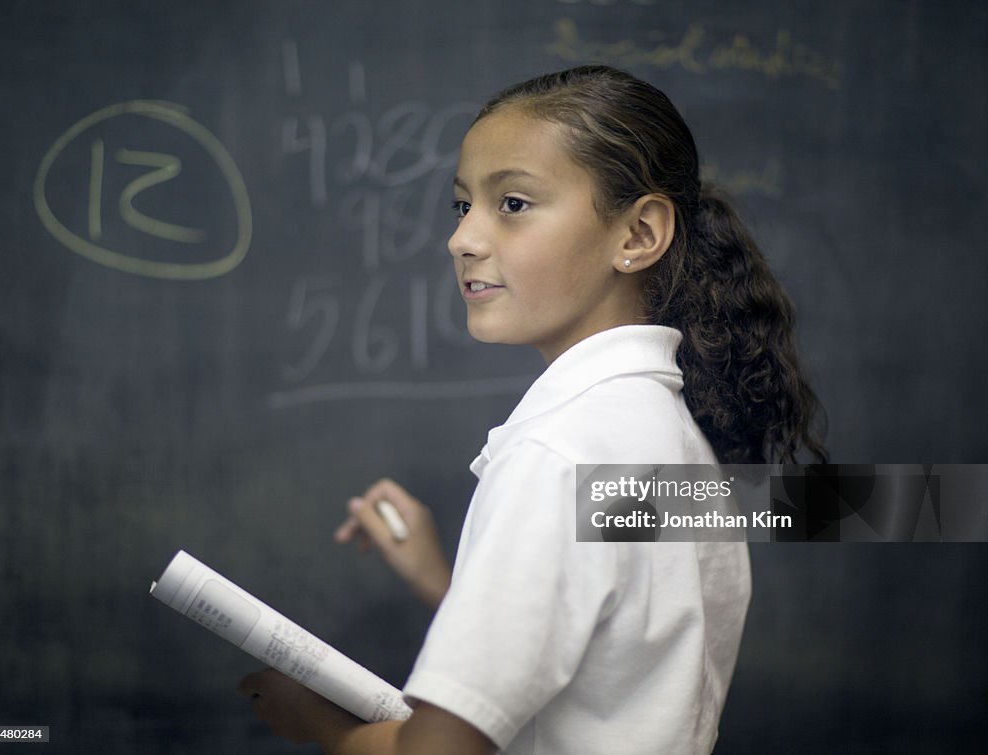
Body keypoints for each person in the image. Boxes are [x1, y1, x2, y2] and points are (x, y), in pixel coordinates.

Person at [238, 65, 825, 754]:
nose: (463, 239)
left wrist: (317, 722)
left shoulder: (558, 453)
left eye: (512, 203)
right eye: (463, 206)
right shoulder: (660, 431)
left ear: (637, 235)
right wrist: (448, 585)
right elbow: (611, 667)